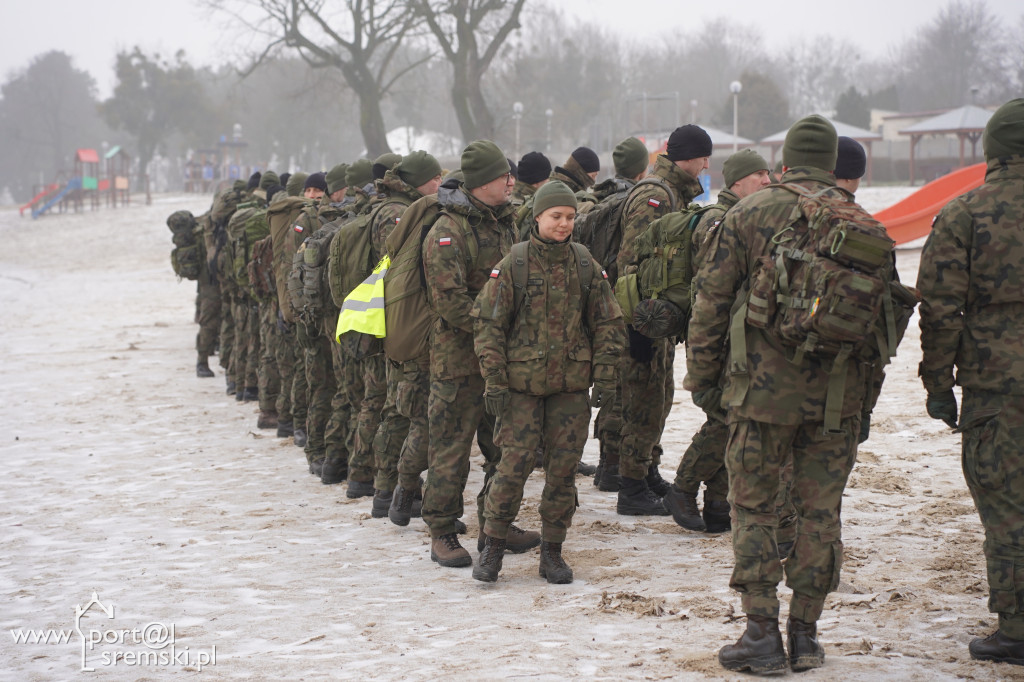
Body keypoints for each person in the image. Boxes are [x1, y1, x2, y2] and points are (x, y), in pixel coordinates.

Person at [685, 115, 896, 673]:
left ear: (784, 162)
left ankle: (760, 631)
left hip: (759, 395)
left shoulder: (749, 213)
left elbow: (709, 304)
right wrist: (863, 404)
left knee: (753, 508)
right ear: (832, 164)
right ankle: (805, 634)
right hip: (837, 399)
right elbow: (882, 327)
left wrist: (703, 381)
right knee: (820, 515)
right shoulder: (862, 222)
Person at [470, 180, 625, 583]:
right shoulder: (514, 264)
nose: (564, 224)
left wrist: (606, 374)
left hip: (570, 389)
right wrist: (496, 380)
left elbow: (608, 320)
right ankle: (493, 547)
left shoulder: (584, 263)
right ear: (537, 216)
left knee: (562, 471)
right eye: (556, 216)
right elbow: (488, 325)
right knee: (511, 468)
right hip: (520, 390)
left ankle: (552, 551)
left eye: (570, 217)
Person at [917, 98, 1024, 667]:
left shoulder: (965, 213)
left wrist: (938, 382)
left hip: (997, 386)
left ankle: (1018, 625)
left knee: (1008, 503)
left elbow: (939, 307)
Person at [420, 140, 540, 568]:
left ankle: (497, 522)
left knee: (504, 447)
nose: (511, 181)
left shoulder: (504, 223)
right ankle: (442, 530)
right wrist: (495, 324)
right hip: (459, 362)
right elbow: (449, 302)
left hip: (500, 361)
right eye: (502, 176)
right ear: (480, 182)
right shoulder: (447, 231)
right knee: (451, 449)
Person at [663, 148, 771, 533]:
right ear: (738, 182)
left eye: (768, 174)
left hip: (739, 335)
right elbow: (711, 288)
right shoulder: (721, 220)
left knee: (732, 416)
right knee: (726, 418)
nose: (767, 181)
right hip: (718, 335)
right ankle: (683, 486)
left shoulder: (749, 218)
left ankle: (717, 502)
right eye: (759, 175)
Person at [614, 124, 710, 516]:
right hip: (646, 319)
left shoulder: (672, 192)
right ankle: (631, 486)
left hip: (660, 317)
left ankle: (646, 468)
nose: (706, 166)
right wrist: (639, 322)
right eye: (704, 158)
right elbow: (631, 259)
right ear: (688, 157)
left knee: (659, 398)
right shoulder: (656, 195)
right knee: (643, 400)